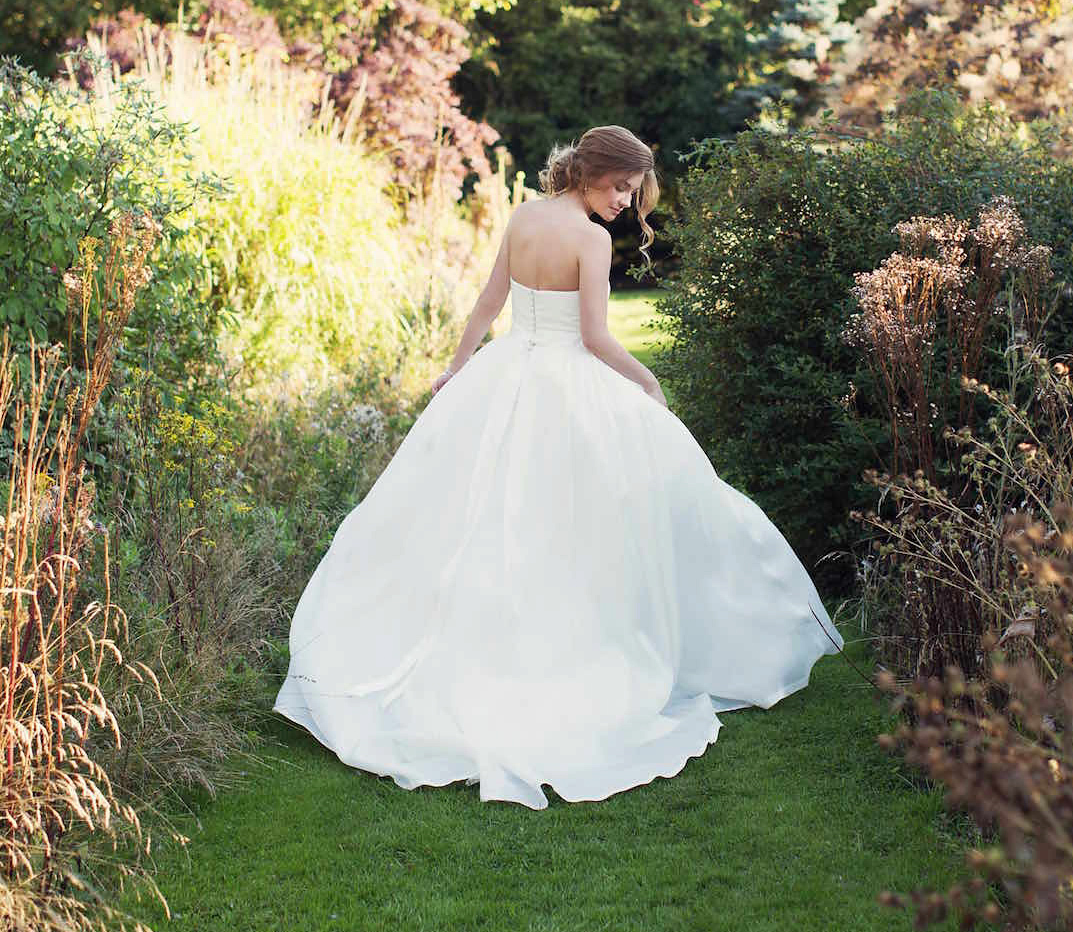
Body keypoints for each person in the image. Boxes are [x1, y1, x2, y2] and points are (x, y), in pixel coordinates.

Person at [273, 124, 842, 809]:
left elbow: (490, 304)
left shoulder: (523, 217)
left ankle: (502, 639)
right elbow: (598, 338)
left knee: (494, 516)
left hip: (506, 373)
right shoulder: (591, 240)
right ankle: (564, 649)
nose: (627, 205)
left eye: (633, 195)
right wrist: (648, 383)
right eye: (623, 189)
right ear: (594, 173)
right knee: (575, 519)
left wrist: (457, 369)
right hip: (568, 382)